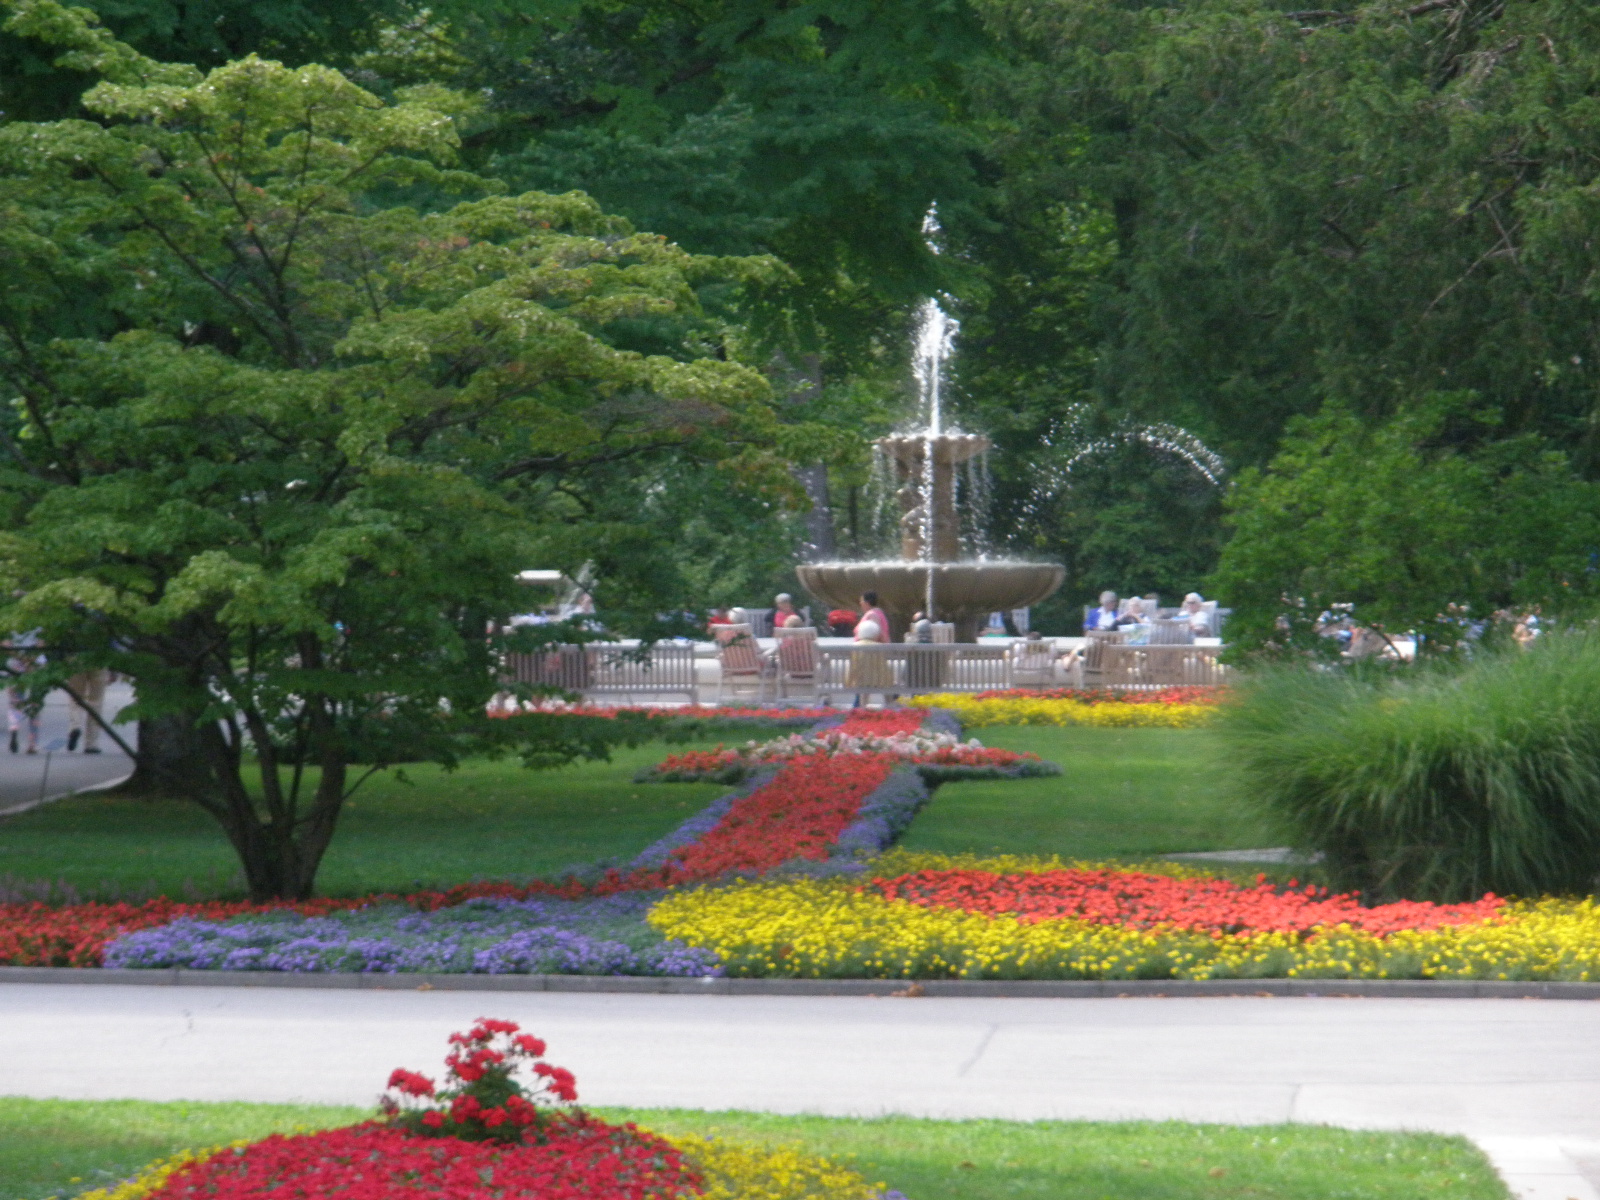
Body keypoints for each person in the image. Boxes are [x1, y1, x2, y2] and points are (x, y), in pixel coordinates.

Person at [67, 668, 110, 754]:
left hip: (76, 662)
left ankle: (75, 726)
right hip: (100, 663)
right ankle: (91, 744)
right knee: (96, 702)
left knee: (75, 698)